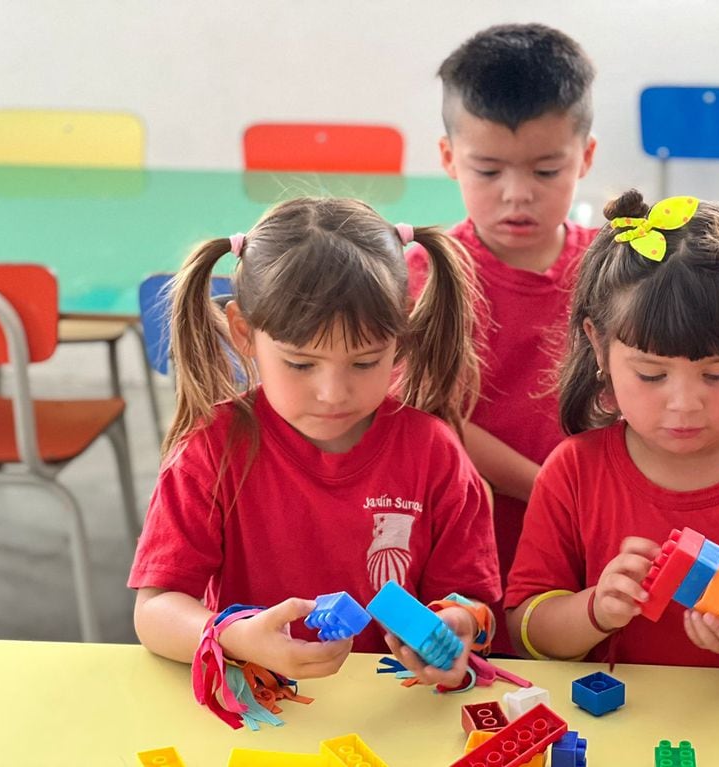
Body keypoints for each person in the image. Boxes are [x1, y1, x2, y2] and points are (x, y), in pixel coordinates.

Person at [129, 197, 500, 688]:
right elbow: (155, 611)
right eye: (301, 364)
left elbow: (477, 607)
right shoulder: (212, 450)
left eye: (365, 362)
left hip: (392, 711)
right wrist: (232, 636)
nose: (333, 393)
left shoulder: (433, 452)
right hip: (262, 702)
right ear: (244, 333)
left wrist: (457, 626)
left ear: (400, 336)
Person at [505, 191, 719, 668]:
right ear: (599, 346)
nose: (685, 404)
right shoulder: (573, 472)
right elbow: (526, 628)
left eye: (716, 374)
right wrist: (595, 610)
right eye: (651, 375)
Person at [406, 24, 598, 651]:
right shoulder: (428, 276)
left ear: (586, 157)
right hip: (475, 553)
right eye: (487, 170)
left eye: (547, 170)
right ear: (446, 157)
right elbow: (432, 413)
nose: (517, 195)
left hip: (593, 547)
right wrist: (550, 489)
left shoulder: (614, 269)